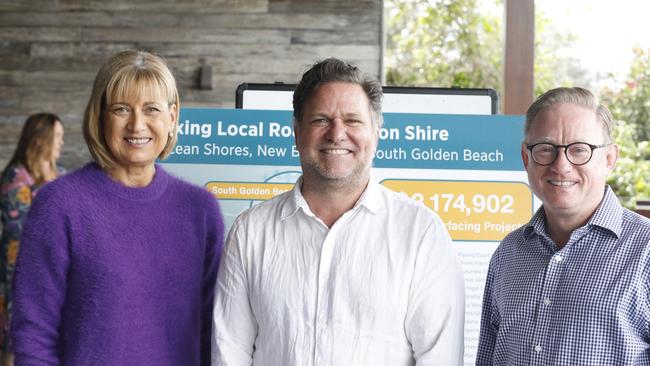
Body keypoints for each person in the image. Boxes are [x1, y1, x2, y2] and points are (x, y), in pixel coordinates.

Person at [212, 58, 465, 365]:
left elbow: (439, 357)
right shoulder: (251, 231)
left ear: (376, 132)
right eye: (320, 120)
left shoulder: (420, 232)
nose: (337, 133)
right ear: (297, 132)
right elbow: (230, 352)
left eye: (353, 120)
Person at [11, 50, 224, 365]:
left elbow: (214, 333)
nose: (137, 125)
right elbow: (34, 335)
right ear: (100, 116)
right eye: (121, 109)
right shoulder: (59, 205)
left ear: (173, 116)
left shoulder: (200, 210)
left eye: (151, 109)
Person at [476, 87, 650, 365]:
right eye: (546, 149)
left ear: (609, 159)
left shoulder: (645, 251)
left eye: (579, 150)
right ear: (525, 158)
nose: (561, 165)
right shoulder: (509, 254)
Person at [0, 113, 65, 366]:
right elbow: (19, 229)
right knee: (16, 337)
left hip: (58, 270)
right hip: (20, 270)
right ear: (41, 139)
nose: (61, 142)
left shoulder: (62, 175)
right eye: (57, 137)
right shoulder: (16, 178)